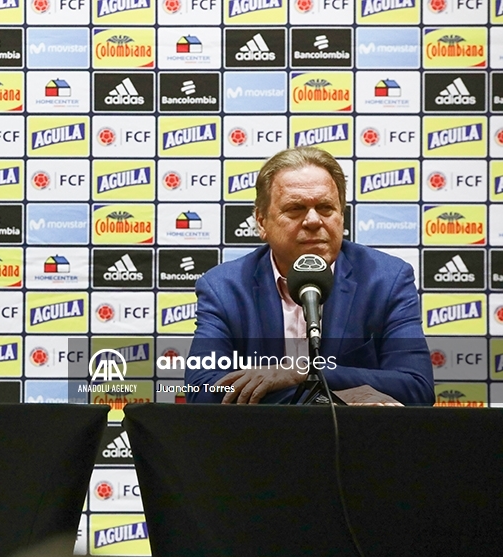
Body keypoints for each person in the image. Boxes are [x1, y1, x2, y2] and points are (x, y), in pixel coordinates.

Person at [185, 146, 434, 405]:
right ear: (261, 222)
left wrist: (300, 373)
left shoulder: (387, 280)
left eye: (326, 207)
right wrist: (341, 396)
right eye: (295, 209)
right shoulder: (224, 288)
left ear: (341, 216)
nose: (314, 221)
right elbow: (203, 392)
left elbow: (417, 388)